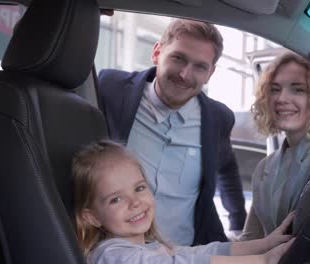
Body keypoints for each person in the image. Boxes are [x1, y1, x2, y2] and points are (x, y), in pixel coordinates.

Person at [97, 19, 246, 245]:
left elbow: (226, 168)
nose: (185, 74)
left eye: (200, 66)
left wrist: (237, 223)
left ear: (210, 73)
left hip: (184, 254)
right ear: (157, 53)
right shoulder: (112, 89)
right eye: (178, 58)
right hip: (116, 252)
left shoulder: (219, 118)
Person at [73, 140, 295, 264]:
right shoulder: (111, 255)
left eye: (139, 188)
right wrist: (262, 261)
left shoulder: (150, 247)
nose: (135, 202)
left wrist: (265, 245)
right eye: (116, 199)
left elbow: (197, 255)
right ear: (91, 217)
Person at [240, 52, 310, 240]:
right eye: (275, 89)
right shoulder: (264, 167)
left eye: (298, 89)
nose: (282, 99)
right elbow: (251, 238)